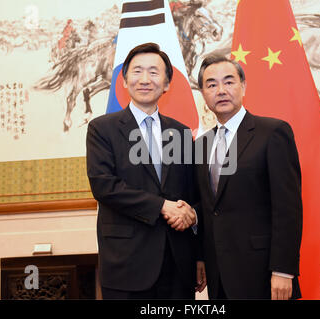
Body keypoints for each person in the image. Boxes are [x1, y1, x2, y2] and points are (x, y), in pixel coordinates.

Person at [86, 42, 206, 299]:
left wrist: (198, 255)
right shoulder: (102, 129)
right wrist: (162, 206)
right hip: (126, 264)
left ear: (166, 84)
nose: (144, 79)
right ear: (124, 81)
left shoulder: (182, 133)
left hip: (177, 265)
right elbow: (104, 186)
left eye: (154, 72)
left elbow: (192, 194)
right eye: (137, 71)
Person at [195, 54, 303, 299]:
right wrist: (200, 256)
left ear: (243, 86)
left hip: (263, 273)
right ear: (203, 93)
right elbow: (207, 208)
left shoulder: (273, 132)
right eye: (211, 85)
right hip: (218, 274)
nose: (221, 90)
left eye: (229, 82)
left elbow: (288, 208)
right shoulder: (201, 145)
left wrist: (284, 270)